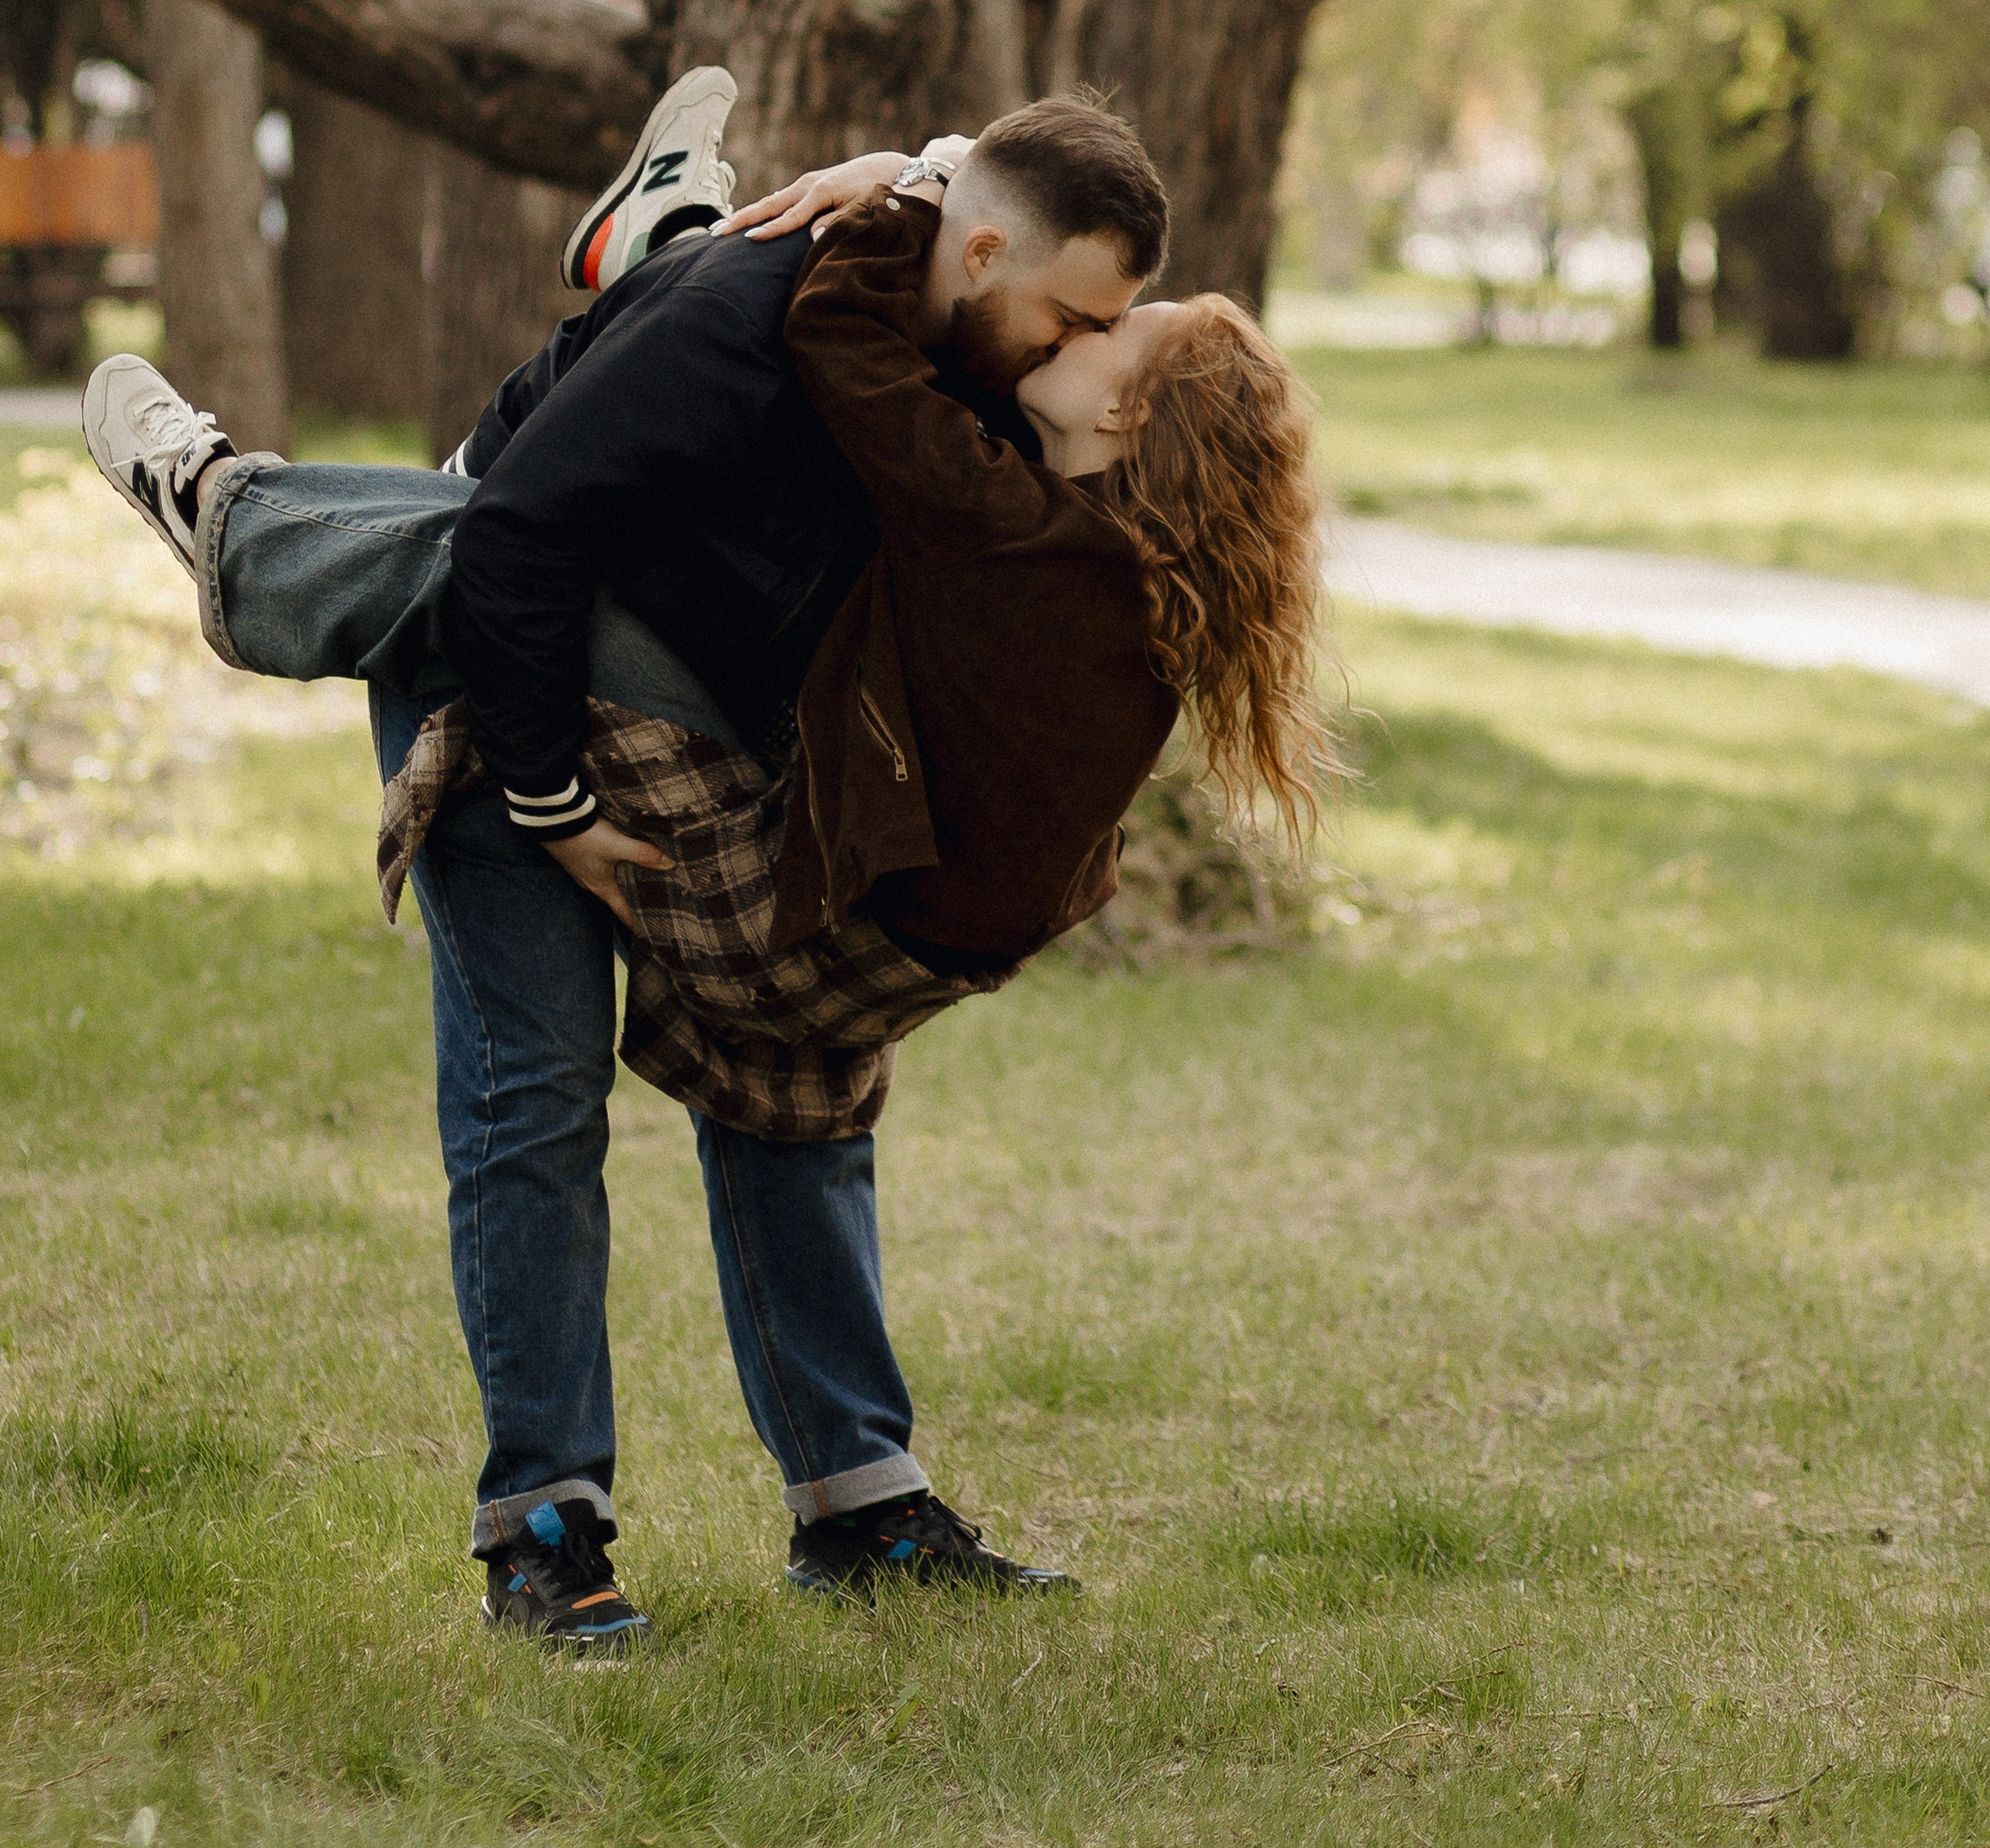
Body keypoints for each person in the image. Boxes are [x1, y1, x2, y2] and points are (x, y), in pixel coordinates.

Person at [83, 81, 1178, 1654]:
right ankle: (545, 1533)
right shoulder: (756, 315)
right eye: (1072, 318)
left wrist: (916, 173)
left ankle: (861, 1506)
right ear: (990, 251)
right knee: (533, 1082)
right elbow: (516, 544)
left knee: (790, 1068)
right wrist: (544, 796)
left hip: (689, 700)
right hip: (509, 645)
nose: (1079, 355)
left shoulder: (965, 355)